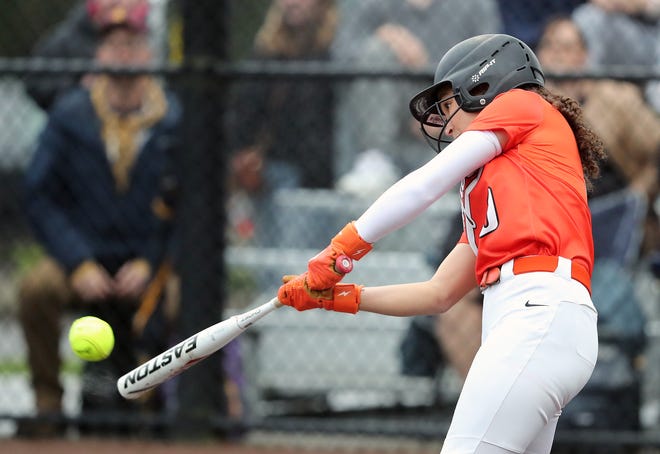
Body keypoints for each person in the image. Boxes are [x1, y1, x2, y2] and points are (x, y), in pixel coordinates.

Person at [277, 33, 606, 453]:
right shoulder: (502, 192)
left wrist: (344, 247)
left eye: (450, 106)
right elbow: (438, 294)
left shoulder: (522, 104)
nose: (445, 123)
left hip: (538, 313)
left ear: (485, 85)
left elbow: (426, 183)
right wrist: (340, 297)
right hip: (539, 322)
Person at [17, 19, 181, 436]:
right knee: (35, 289)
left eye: (133, 44)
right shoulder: (70, 115)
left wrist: (150, 261)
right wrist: (78, 261)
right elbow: (38, 195)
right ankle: (48, 409)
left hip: (149, 261)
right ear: (98, 54)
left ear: (149, 53)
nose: (123, 53)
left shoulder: (175, 119)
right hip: (84, 257)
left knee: (184, 299)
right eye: (113, 44)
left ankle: (166, 410)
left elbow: (193, 207)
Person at [333, 0, 502, 196]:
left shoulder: (474, 5)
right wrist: (386, 36)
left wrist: (440, 110)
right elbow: (341, 55)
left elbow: (489, 65)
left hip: (447, 110)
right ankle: (375, 159)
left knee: (431, 195)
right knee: (375, 53)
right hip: (384, 109)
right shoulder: (371, 3)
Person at [226, 0, 338, 246]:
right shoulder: (267, 48)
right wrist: (241, 151)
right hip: (272, 168)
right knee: (274, 259)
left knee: (301, 258)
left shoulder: (334, 47)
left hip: (319, 172)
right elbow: (246, 108)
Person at [24, 0, 150, 111]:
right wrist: (79, 89)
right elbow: (35, 85)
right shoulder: (66, 40)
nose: (117, 3)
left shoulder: (146, 38)